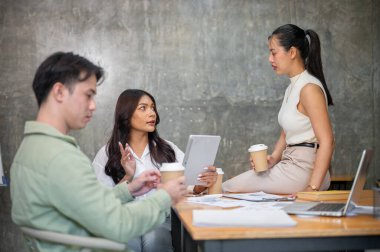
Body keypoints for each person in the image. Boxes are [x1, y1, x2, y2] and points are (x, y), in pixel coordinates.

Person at [10, 52, 187, 252]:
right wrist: (165, 195)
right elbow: (118, 224)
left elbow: (88, 205)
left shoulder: (31, 148)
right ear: (59, 92)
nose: (93, 106)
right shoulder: (62, 158)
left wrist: (128, 189)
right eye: (88, 95)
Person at [92, 89, 217, 252]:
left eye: (152, 108)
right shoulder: (107, 153)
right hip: (124, 217)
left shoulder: (167, 149)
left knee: (155, 240)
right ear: (126, 114)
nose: (152, 113)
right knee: (128, 243)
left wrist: (202, 183)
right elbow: (102, 201)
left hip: (160, 217)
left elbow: (189, 183)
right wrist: (128, 176)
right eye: (143, 108)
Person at [223, 24, 334, 194]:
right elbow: (287, 130)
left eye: (274, 52)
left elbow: (327, 141)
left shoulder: (309, 89)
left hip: (304, 169)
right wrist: (273, 158)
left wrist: (312, 188)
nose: (270, 59)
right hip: (291, 163)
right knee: (233, 187)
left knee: (229, 188)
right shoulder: (293, 87)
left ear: (292, 52)